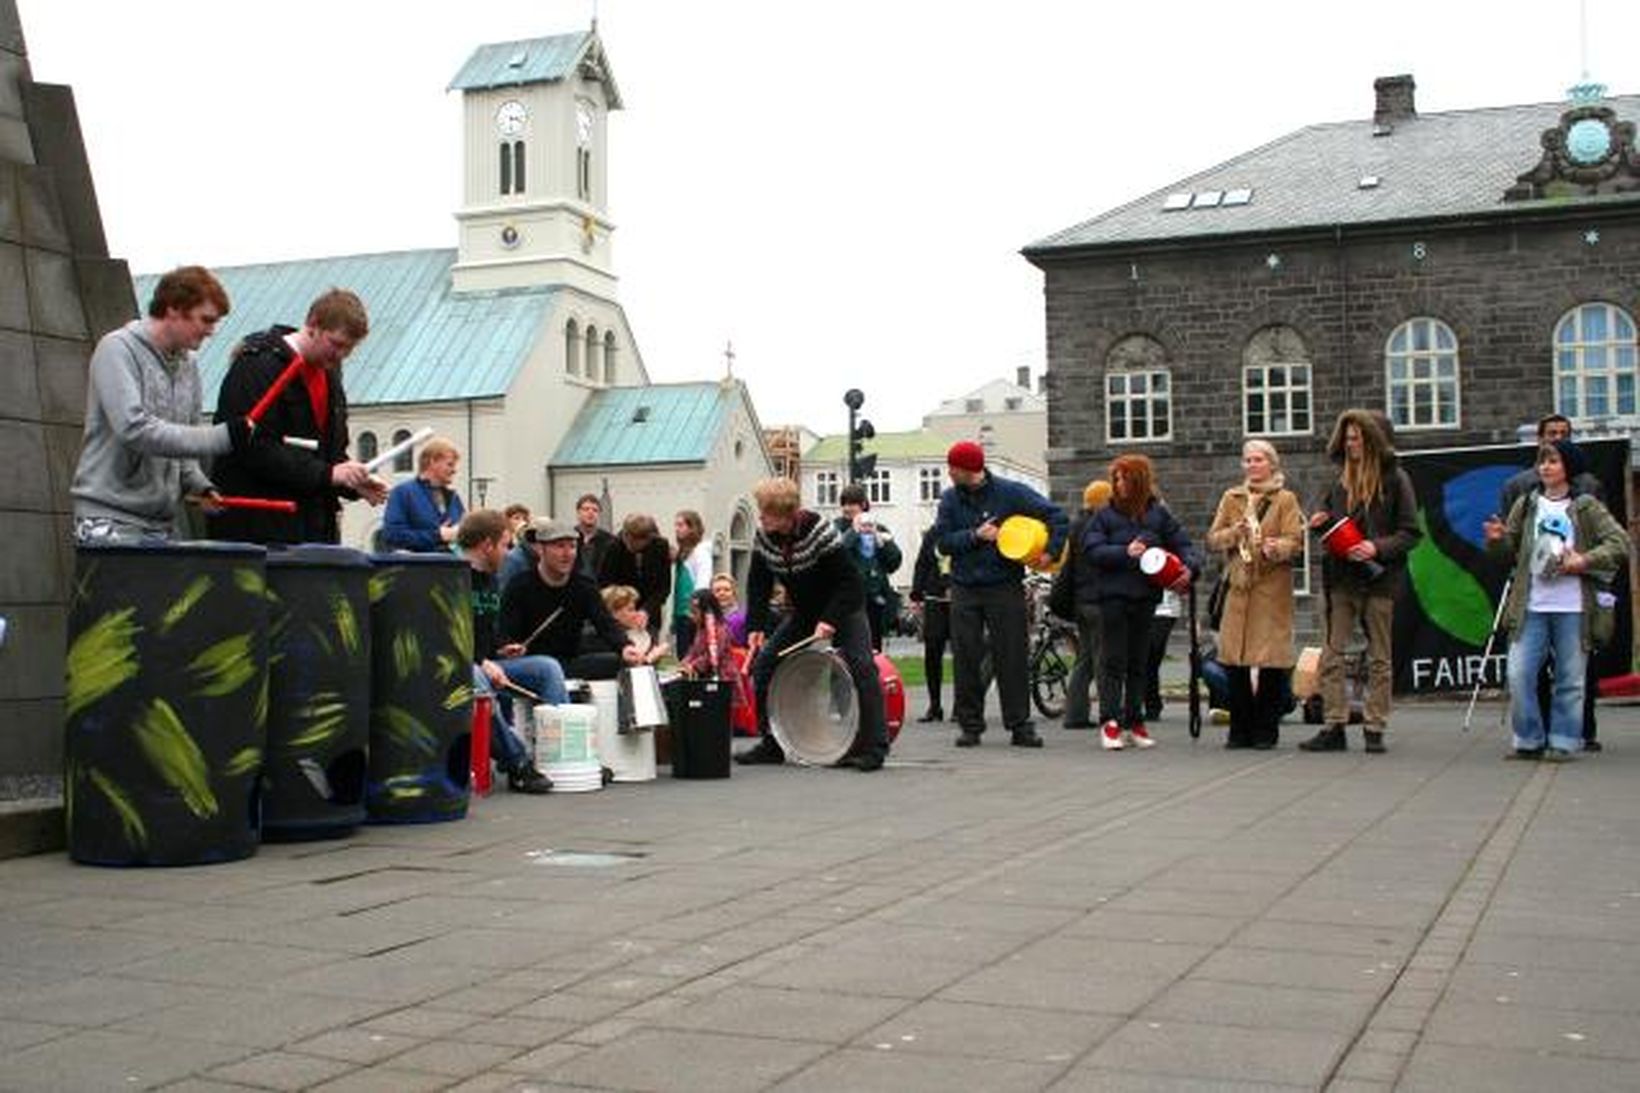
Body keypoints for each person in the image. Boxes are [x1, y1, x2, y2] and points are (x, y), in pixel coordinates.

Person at [70, 266, 254, 544]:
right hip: (109, 518)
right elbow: (134, 429)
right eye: (205, 319)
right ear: (174, 309)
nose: (211, 331)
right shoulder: (117, 349)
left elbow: (184, 437)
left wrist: (198, 484)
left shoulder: (188, 364)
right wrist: (221, 437)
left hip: (161, 522)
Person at [1485, 439, 1629, 761]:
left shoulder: (1586, 506)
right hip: (1532, 605)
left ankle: (1563, 741)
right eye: (1542, 461)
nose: (1545, 467)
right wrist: (1496, 540)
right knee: (1519, 674)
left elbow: (1621, 543)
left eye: (1552, 461)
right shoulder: (1526, 503)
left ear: (1568, 468)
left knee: (1571, 679)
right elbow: (1509, 551)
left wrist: (1583, 560)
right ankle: (1529, 739)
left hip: (1573, 607)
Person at [209, 288, 387, 544]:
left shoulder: (330, 376)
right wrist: (328, 474)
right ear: (313, 324)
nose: (340, 356)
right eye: (336, 344)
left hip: (312, 528)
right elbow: (250, 445)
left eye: (348, 349)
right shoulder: (257, 365)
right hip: (259, 530)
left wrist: (350, 482)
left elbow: (329, 454)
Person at [736, 477, 888, 772]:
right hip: (805, 612)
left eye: (766, 511)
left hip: (843, 608)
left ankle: (874, 747)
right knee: (766, 662)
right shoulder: (765, 536)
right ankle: (772, 743)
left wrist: (830, 620)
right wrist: (755, 626)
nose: (761, 516)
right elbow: (758, 583)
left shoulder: (819, 532)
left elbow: (850, 583)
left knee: (862, 666)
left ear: (785, 514)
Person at [932, 440, 1067, 749]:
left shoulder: (1011, 492)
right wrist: (974, 536)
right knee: (966, 656)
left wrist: (1051, 551)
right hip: (965, 586)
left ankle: (1020, 725)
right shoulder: (950, 500)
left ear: (969, 469)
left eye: (953, 468)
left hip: (1004, 584)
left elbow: (1056, 516)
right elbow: (941, 543)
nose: (949, 472)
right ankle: (970, 726)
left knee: (1012, 656)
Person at [1300, 409, 1420, 754]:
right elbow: (1327, 522)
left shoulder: (1396, 479)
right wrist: (1320, 523)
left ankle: (1374, 725)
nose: (1351, 444)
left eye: (1357, 438)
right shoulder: (1338, 480)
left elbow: (1411, 533)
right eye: (1348, 438)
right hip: (1341, 578)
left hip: (1380, 580)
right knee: (1332, 654)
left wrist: (1376, 547)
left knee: (1380, 656)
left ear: (1372, 439)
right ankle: (1334, 723)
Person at [1085, 454, 1199, 750]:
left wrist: (1189, 568)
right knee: (1113, 661)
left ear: (1139, 481)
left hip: (1146, 597)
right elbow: (1093, 550)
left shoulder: (1159, 516)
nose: (1119, 484)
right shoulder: (1103, 516)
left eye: (1125, 478)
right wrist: (1125, 552)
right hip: (1112, 598)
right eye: (1116, 479)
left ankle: (1135, 721)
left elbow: (1184, 544)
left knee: (1139, 662)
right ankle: (1110, 723)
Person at [1205, 440, 1305, 750]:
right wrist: (1235, 532)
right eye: (1247, 460)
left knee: (1272, 662)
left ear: (1271, 464)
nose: (1251, 465)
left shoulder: (1285, 499)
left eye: (1258, 459)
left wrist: (1278, 548)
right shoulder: (1232, 497)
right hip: (1239, 587)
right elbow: (1213, 538)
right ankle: (1239, 728)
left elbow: (1296, 541)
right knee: (1234, 661)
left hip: (1271, 588)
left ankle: (1266, 729)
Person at [455, 509, 560, 793]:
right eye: (504, 544)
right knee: (476, 677)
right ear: (487, 545)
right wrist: (483, 661)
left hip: (486, 661)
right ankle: (518, 765)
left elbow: (485, 631)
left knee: (547, 668)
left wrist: (501, 648)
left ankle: (557, 755)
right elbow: (448, 638)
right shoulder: (452, 577)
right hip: (458, 666)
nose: (508, 551)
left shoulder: (490, 579)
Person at [500, 517, 643, 680]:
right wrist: (510, 646)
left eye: (572, 547)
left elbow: (605, 624)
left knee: (625, 662)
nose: (567, 554)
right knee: (548, 668)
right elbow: (505, 631)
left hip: (569, 662)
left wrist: (624, 646)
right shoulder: (519, 586)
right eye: (560, 546)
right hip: (531, 663)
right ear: (541, 549)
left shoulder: (584, 586)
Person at [1062, 480, 1112, 728]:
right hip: (1099, 600)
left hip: (1081, 601)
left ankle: (1075, 714)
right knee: (1103, 659)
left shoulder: (1077, 526)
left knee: (1085, 658)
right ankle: (1109, 714)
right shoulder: (1101, 527)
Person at [834, 484, 903, 650]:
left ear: (863, 505)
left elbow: (894, 562)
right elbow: (836, 557)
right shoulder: (837, 528)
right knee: (843, 649)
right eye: (844, 504)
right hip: (846, 599)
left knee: (872, 648)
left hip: (873, 598)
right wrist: (852, 532)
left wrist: (881, 541)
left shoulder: (878, 528)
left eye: (852, 504)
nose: (847, 508)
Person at [380, 436, 466, 552]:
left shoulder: (454, 498)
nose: (454, 470)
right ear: (432, 462)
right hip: (417, 568)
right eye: (450, 465)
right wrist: (438, 535)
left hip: (452, 567)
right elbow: (393, 535)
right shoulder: (402, 493)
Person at [597, 513, 672, 640]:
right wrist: (623, 612)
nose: (633, 546)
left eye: (639, 543)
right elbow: (604, 584)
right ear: (625, 535)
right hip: (619, 615)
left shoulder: (660, 546)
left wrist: (645, 611)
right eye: (630, 542)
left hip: (650, 614)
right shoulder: (612, 547)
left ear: (648, 539)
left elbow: (663, 587)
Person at [908, 526, 952, 722]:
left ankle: (962, 706)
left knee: (965, 654)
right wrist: (916, 593)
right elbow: (922, 563)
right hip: (935, 599)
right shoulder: (934, 534)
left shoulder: (965, 530)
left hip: (961, 600)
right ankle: (935, 706)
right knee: (932, 652)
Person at [671, 510, 713, 657]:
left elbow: (703, 581)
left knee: (691, 656)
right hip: (680, 612)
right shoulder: (684, 552)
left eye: (681, 525)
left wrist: (696, 608)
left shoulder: (700, 551)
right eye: (676, 525)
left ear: (692, 527)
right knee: (683, 655)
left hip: (690, 613)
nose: (677, 529)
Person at [598, 585, 669, 665]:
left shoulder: (644, 632)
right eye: (630, 610)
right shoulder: (599, 637)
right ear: (613, 613)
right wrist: (649, 659)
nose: (635, 614)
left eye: (635, 609)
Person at [573, 493, 617, 579]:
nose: (591, 512)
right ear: (578, 512)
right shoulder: (569, 537)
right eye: (586, 509)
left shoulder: (610, 540)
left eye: (595, 510)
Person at [498, 503, 535, 587]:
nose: (521, 521)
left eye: (524, 518)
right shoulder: (503, 539)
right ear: (507, 520)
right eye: (516, 518)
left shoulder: (528, 538)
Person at [710, 573, 749, 647]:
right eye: (717, 591)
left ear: (734, 593)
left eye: (727, 590)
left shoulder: (741, 619)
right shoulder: (707, 620)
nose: (722, 593)